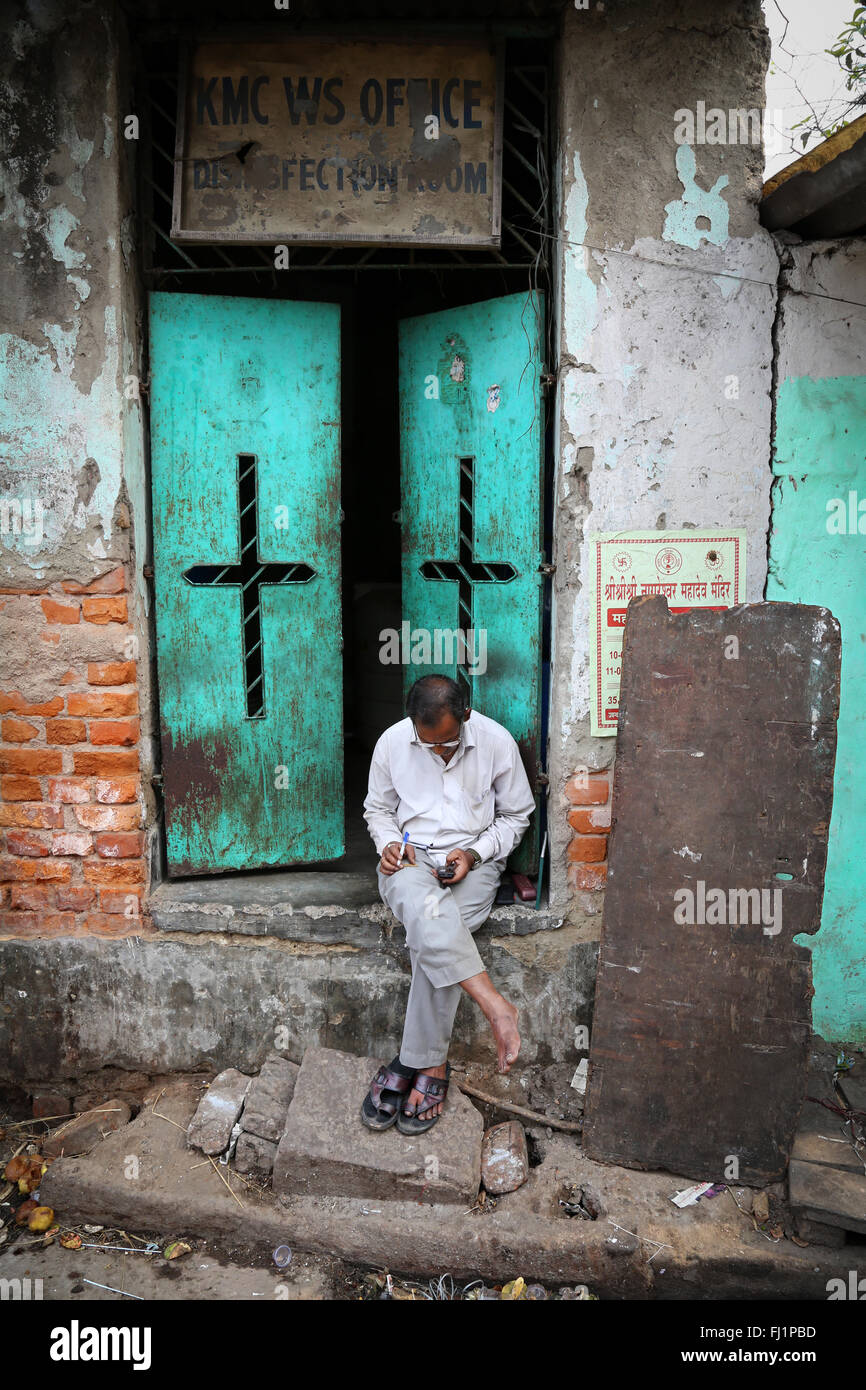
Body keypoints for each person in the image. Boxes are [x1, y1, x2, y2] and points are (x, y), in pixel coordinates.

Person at [360, 673, 535, 1134]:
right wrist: (390, 843)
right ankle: (493, 1010)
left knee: (434, 931)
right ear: (412, 722)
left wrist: (474, 853)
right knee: (434, 916)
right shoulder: (393, 743)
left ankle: (415, 1059)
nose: (438, 753)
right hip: (410, 862)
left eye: (448, 744)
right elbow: (376, 809)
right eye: (427, 744)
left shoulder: (497, 742)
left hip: (475, 863)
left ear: (466, 716)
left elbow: (517, 816)